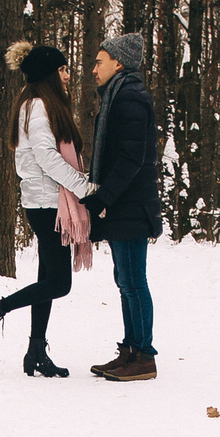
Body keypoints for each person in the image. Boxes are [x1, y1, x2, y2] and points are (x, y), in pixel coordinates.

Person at [0, 42, 91, 376]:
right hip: (47, 204)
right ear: (49, 74)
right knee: (59, 283)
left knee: (47, 278)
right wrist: (84, 188)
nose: (67, 75)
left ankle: (36, 350)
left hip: (47, 202)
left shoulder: (39, 104)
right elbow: (47, 158)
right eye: (62, 69)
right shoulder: (37, 107)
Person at [82, 30, 162, 381]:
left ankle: (144, 356)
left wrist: (102, 197)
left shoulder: (129, 96)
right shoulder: (119, 94)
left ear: (119, 63)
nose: (94, 69)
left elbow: (131, 158)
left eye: (99, 62)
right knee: (125, 280)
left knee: (133, 281)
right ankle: (130, 350)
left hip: (131, 206)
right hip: (124, 206)